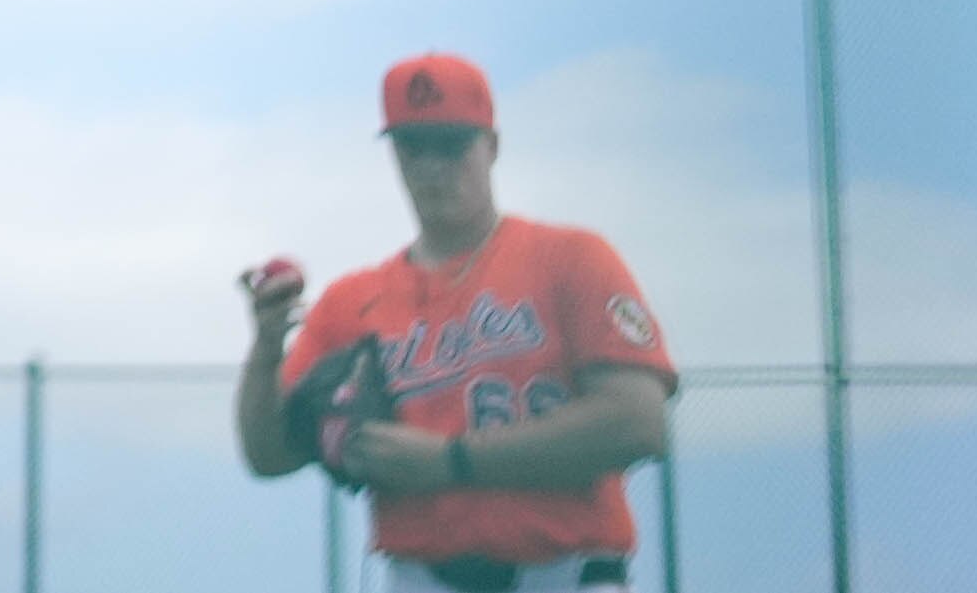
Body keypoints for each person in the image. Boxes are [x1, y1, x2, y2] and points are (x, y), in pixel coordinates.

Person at [235, 54, 674, 592]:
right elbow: (269, 455)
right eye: (413, 147)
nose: (432, 167)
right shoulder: (352, 301)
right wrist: (266, 348)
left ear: (491, 145)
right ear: (394, 154)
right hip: (419, 577)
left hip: (568, 573)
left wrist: (450, 462)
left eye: (451, 144)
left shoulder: (572, 260)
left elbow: (638, 424)